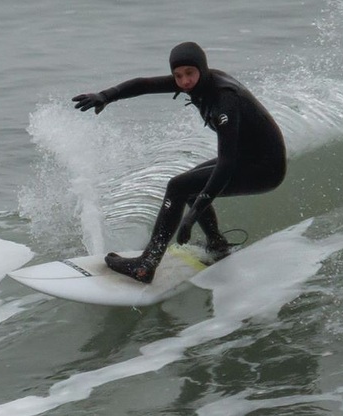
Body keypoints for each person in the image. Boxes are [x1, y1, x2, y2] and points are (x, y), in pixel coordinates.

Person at [73, 42, 287, 283]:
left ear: (202, 70)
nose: (184, 81)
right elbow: (144, 84)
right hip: (247, 157)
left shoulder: (224, 100)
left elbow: (225, 166)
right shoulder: (198, 81)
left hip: (264, 167)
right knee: (190, 183)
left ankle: (147, 264)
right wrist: (105, 96)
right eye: (178, 76)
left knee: (179, 186)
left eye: (190, 74)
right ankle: (217, 245)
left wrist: (193, 215)